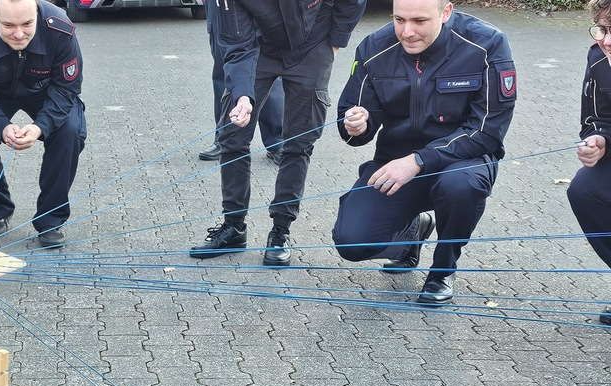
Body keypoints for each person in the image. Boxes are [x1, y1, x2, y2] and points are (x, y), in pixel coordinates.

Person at [332, 0, 516, 305]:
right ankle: (410, 237)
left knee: (459, 186)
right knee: (351, 243)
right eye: (399, 19)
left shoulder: (487, 44)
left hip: (464, 159)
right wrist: (356, 125)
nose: (407, 32)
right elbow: (353, 114)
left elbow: (487, 130)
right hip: (396, 163)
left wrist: (419, 160)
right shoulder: (374, 47)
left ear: (445, 13)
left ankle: (443, 270)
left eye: (419, 21)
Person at [189, 0, 364, 266]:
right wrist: (243, 95)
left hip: (314, 43)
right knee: (233, 135)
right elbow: (237, 45)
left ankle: (281, 231)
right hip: (258, 46)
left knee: (298, 143)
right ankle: (233, 227)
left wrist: (335, 42)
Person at [0, 0, 86, 249]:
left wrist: (40, 127)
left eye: (27, 24)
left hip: (45, 90)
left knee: (70, 132)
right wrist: (1, 126)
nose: (18, 33)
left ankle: (50, 220)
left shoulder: (60, 28)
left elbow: (67, 87)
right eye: (8, 25)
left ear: (36, 12)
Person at [567, 0, 611, 325]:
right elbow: (594, 119)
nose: (606, 40)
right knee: (583, 189)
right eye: (604, 29)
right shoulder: (598, 57)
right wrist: (598, 140)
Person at [198, 6, 284, 165]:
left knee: (268, 67)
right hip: (220, 6)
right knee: (224, 71)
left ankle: (276, 140)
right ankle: (225, 138)